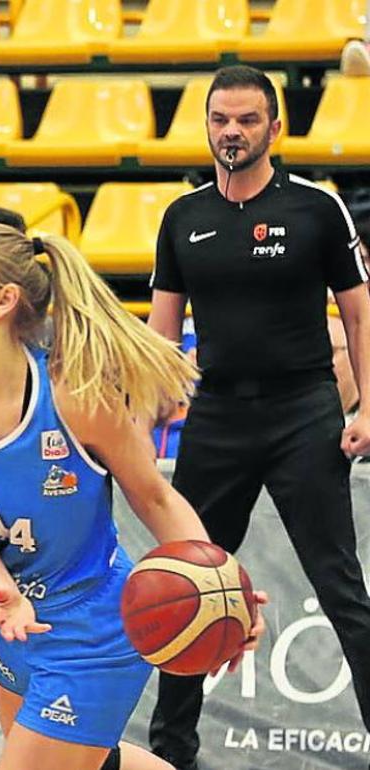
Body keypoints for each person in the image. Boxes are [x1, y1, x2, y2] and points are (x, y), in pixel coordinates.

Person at [0, 219, 266, 770]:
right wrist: (2, 592)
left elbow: (154, 498)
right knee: (95, 764)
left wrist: (222, 585)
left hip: (96, 627)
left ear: (3, 301)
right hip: (20, 619)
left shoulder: (73, 393)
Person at [146, 64, 370, 770]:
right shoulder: (182, 218)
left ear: (276, 127)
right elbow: (161, 333)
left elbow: (360, 312)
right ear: (207, 127)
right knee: (190, 587)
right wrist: (147, 413)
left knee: (342, 590)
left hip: (304, 414)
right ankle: (171, 752)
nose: (232, 132)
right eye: (220, 120)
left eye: (246, 120)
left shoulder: (316, 208)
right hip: (217, 419)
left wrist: (367, 401)